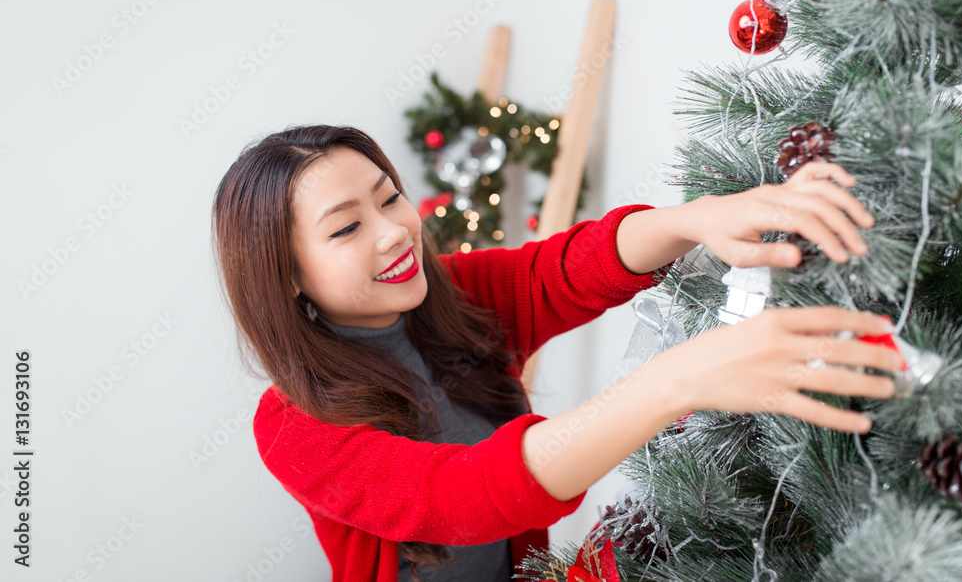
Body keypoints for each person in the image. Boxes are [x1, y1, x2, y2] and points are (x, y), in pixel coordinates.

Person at [211, 124, 901, 582]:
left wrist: (695, 218)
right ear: (287, 273)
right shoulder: (293, 426)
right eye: (347, 227)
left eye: (390, 198)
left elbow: (564, 270)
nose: (394, 233)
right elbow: (464, 494)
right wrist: (677, 380)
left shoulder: (452, 294)